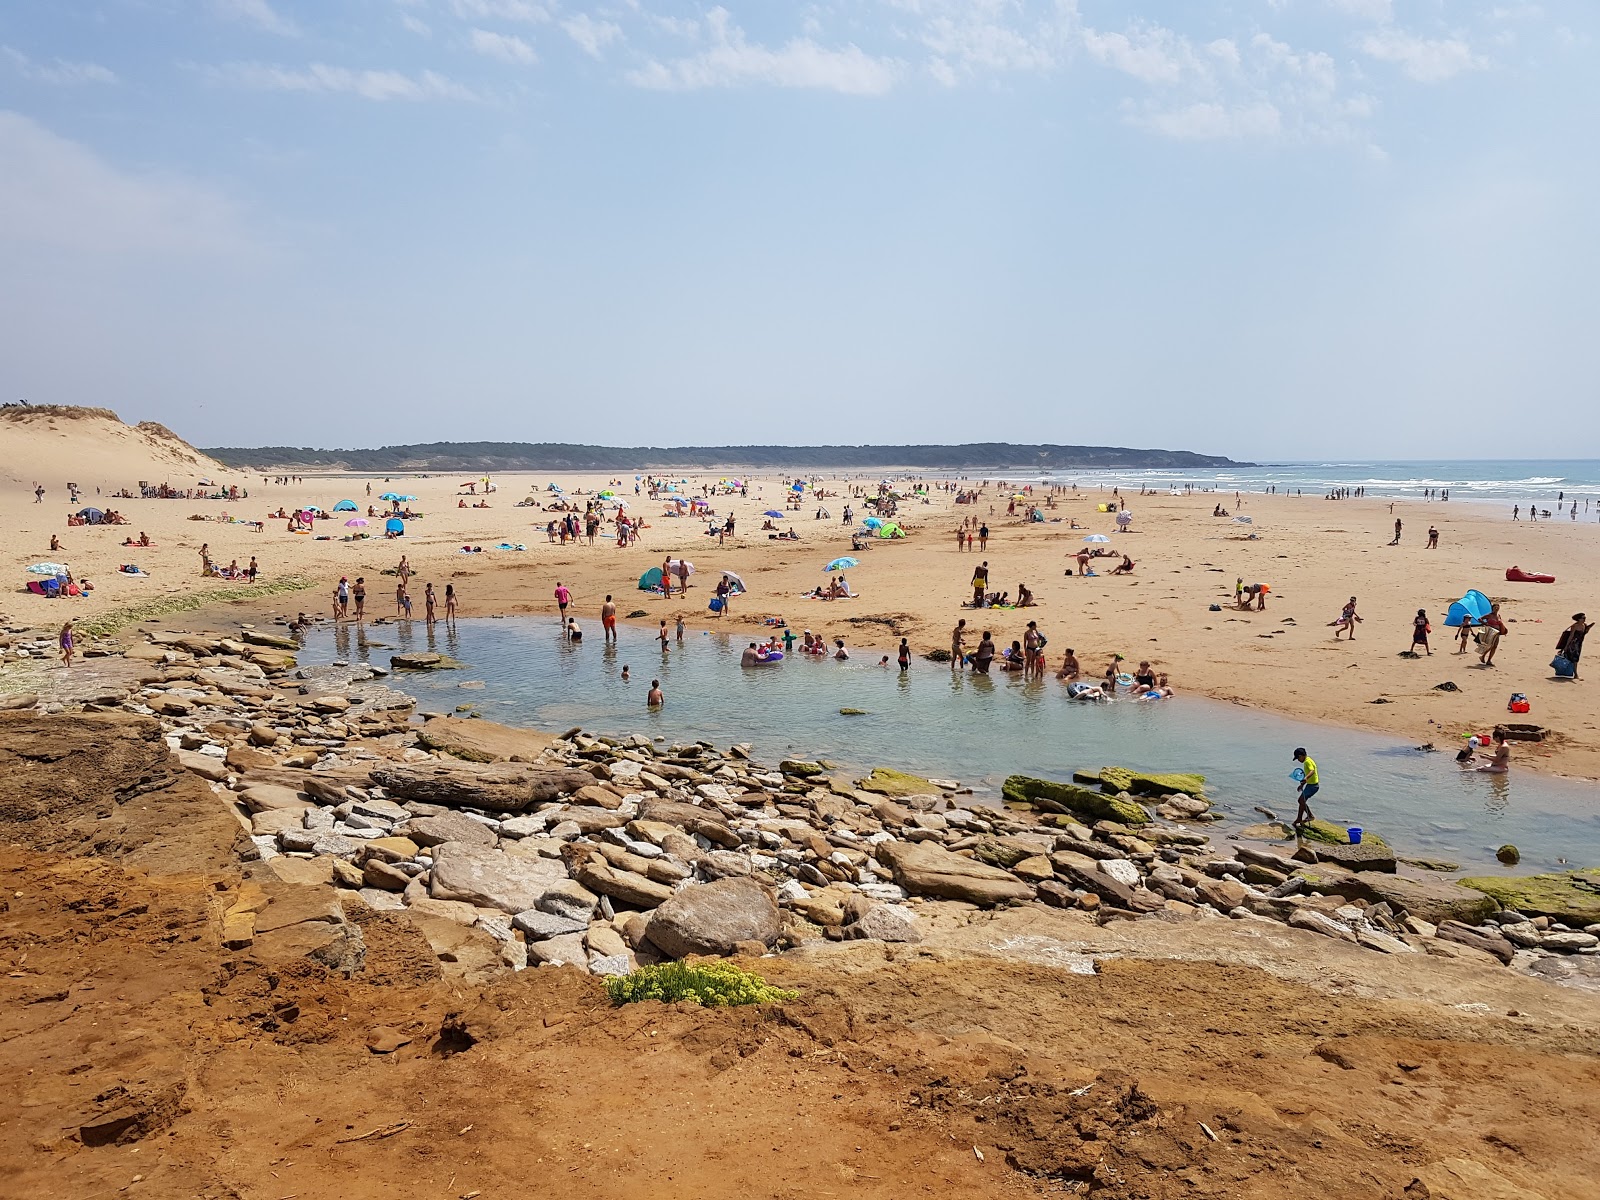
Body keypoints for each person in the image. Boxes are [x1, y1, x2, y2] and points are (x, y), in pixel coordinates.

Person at [1557, 613, 1593, 679]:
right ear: (1578, 619)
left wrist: (1589, 627)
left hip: (1579, 644)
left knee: (1575, 658)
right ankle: (1576, 674)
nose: (1584, 619)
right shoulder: (1574, 626)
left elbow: (1584, 634)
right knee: (1574, 659)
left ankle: (1571, 673)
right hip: (1573, 644)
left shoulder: (1584, 625)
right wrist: (1566, 646)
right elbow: (1571, 636)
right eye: (1583, 618)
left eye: (1585, 618)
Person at [1292, 747, 1318, 826]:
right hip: (1310, 785)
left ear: (1301, 756)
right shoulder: (1308, 760)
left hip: (1313, 786)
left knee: (1301, 800)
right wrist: (1301, 785)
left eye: (1298, 758)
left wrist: (1306, 778)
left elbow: (1312, 771)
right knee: (1301, 800)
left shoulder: (1307, 762)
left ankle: (1309, 816)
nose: (1298, 761)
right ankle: (1300, 818)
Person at [1477, 602, 1505, 666]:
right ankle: (1483, 656)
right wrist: (1485, 624)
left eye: (1498, 608)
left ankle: (1489, 660)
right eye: (1495, 608)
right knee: (1491, 645)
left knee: (1495, 646)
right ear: (1492, 608)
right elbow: (1480, 619)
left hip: (1497, 632)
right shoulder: (1489, 615)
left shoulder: (1498, 615)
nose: (1496, 609)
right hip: (1491, 632)